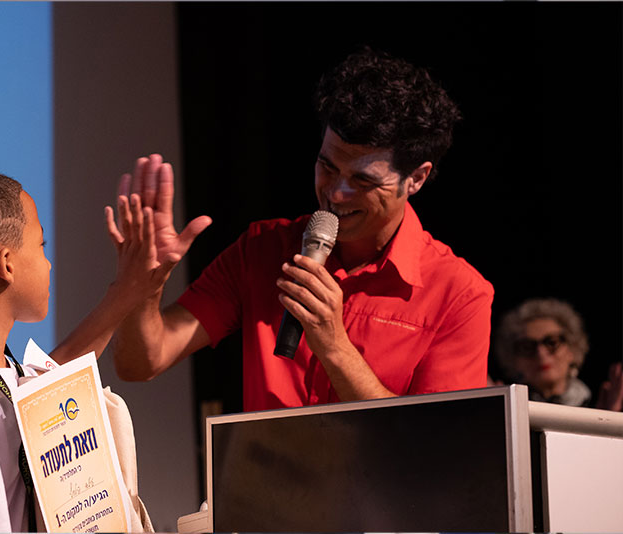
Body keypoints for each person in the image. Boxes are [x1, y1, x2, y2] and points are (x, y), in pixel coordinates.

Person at [111, 46, 494, 412]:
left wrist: (334, 345)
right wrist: (144, 286)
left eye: (363, 180)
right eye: (327, 167)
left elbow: (439, 450)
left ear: (417, 179)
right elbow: (140, 364)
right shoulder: (261, 250)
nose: (336, 194)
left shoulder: (459, 294)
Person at [0, 170, 167, 532]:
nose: (48, 262)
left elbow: (52, 379)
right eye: (42, 246)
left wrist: (128, 291)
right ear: (6, 265)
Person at [494, 297, 623, 411]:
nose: (541, 353)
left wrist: (608, 428)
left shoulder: (600, 404)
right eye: (527, 347)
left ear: (572, 349)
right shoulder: (509, 411)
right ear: (513, 360)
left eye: (552, 342)